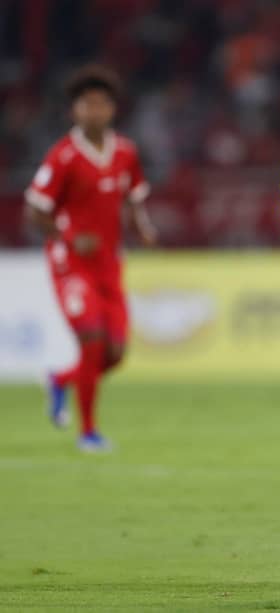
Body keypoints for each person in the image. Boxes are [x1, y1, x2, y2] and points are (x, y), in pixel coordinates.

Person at [24, 65, 157, 452]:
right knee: (91, 339)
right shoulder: (63, 156)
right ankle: (88, 432)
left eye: (101, 104)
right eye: (87, 105)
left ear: (112, 109)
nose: (94, 111)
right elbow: (34, 210)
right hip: (71, 264)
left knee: (114, 354)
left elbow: (134, 200)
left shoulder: (126, 153)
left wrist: (143, 229)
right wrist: (66, 236)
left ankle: (61, 379)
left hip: (109, 264)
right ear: (74, 111)